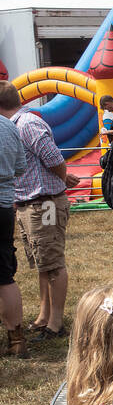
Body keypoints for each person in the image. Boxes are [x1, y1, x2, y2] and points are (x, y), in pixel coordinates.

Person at [0, 81, 80, 339]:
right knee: (42, 263)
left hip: (43, 202)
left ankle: (56, 323)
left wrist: (62, 177)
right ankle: (44, 316)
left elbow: (54, 158)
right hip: (31, 203)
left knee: (53, 262)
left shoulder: (27, 125)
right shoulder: (18, 125)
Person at [0, 107, 25, 357]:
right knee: (4, 274)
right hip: (4, 206)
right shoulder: (8, 126)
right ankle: (17, 340)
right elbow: (20, 167)